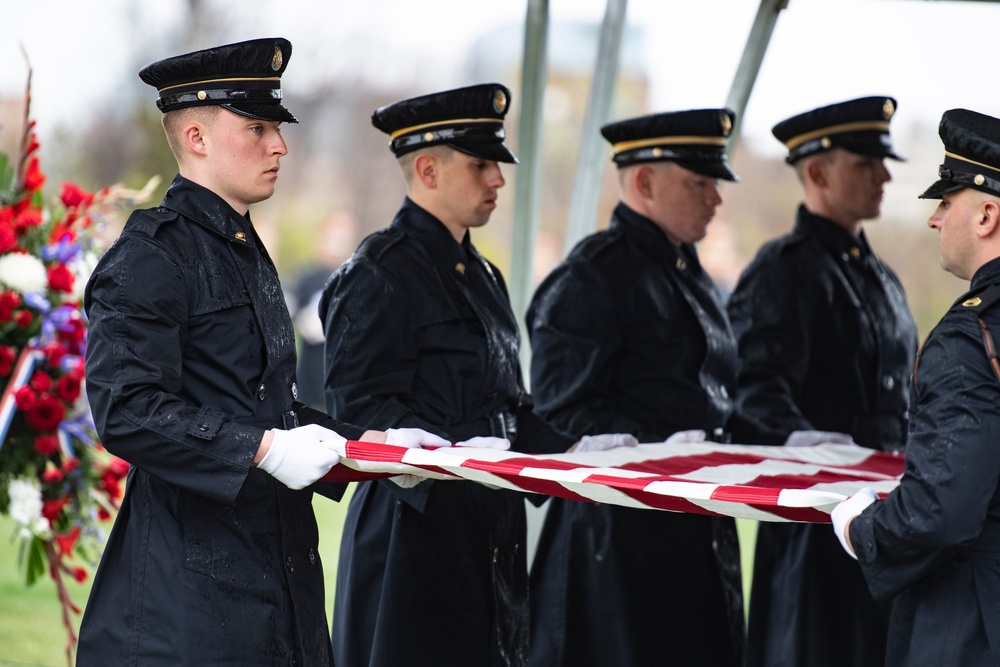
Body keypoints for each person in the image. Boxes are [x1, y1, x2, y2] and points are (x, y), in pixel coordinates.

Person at [77, 38, 443, 666]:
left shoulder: (240, 248)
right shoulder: (152, 255)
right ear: (196, 137)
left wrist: (377, 444)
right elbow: (127, 409)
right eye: (258, 127)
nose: (280, 145)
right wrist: (265, 449)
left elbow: (272, 407)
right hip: (186, 607)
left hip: (272, 579)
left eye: (277, 127)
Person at [319, 84, 628, 667]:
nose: (498, 181)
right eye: (481, 164)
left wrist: (575, 451)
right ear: (429, 169)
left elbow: (507, 405)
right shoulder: (379, 272)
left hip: (488, 533)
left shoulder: (483, 274)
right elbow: (356, 407)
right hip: (413, 542)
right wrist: (434, 448)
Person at [525, 108, 745, 666]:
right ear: (645, 182)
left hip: (690, 526)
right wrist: (656, 447)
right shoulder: (595, 275)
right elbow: (559, 411)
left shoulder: (687, 271)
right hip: (616, 545)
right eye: (699, 183)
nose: (715, 198)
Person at [726, 96, 919, 667]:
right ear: (816, 172)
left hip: (882, 522)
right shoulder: (782, 271)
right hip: (814, 530)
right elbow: (754, 398)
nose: (884, 174)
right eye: (865, 163)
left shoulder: (879, 275)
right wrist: (833, 458)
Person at [832, 108, 1000, 667]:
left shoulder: (968, 338)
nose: (934, 219)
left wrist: (864, 529)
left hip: (971, 625)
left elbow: (941, 510)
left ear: (986, 215)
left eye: (946, 202)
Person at [287, 211, 359, 409]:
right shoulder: (307, 276)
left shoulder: (355, 277)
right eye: (332, 238)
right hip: (310, 369)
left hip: (342, 371)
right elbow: (292, 310)